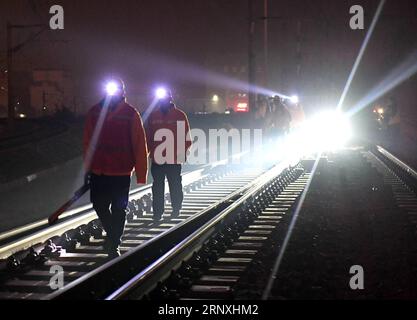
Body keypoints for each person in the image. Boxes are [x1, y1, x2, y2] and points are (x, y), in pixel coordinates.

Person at [83, 78, 148, 257]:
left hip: (121, 171)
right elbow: (88, 142)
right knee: (99, 205)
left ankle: (113, 243)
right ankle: (113, 236)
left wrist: (141, 174)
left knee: (119, 209)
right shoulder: (94, 112)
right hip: (99, 170)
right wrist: (87, 168)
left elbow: (139, 145)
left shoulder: (130, 113)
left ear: (122, 91)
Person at [145, 89, 192, 221]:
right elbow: (148, 137)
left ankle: (176, 209)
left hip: (174, 158)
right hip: (158, 159)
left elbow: (186, 137)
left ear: (170, 99)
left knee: (175, 184)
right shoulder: (153, 116)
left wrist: (182, 155)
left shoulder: (180, 115)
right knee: (157, 186)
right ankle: (158, 213)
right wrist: (148, 154)